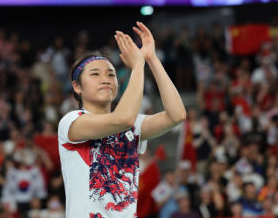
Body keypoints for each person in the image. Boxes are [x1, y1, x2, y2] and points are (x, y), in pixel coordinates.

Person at [58, 22, 186, 217]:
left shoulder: (134, 125)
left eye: (111, 74)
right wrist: (137, 66)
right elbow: (123, 118)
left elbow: (177, 115)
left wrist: (151, 59)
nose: (106, 79)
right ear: (77, 87)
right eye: (95, 74)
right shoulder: (72, 121)